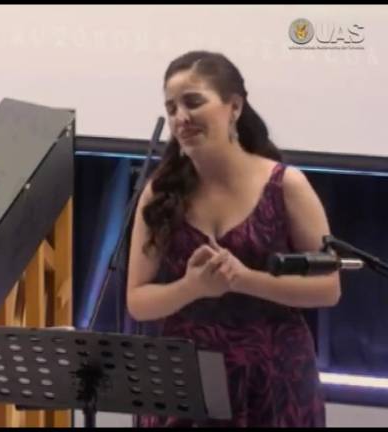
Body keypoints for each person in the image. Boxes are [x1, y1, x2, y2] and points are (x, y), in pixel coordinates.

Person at [126, 51, 340, 427]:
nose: (180, 117)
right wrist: (192, 287)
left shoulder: (285, 185)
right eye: (171, 107)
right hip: (185, 385)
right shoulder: (159, 192)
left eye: (193, 102)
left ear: (235, 107)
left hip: (274, 381)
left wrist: (244, 280)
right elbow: (138, 302)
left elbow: (328, 288)